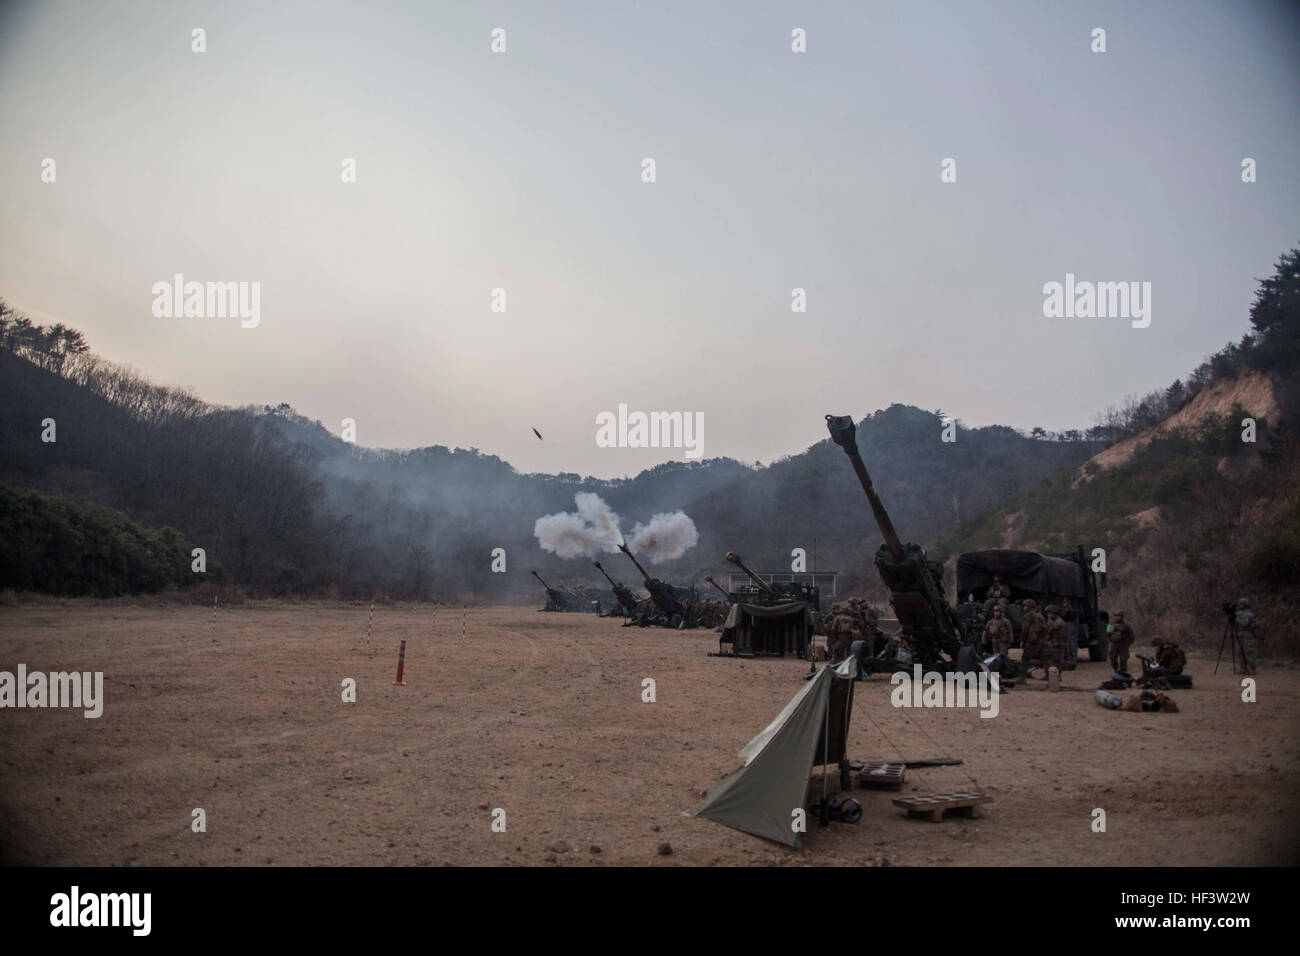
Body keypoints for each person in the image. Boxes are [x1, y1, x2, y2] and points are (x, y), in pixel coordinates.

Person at [1020, 598, 1047, 676]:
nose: (1024, 608)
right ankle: (1049, 676)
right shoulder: (1040, 615)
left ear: (1029, 607)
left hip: (1032, 640)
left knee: (1025, 659)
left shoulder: (1028, 615)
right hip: (1041, 640)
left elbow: (1025, 630)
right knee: (1045, 659)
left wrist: (1022, 640)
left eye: (1025, 606)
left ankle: (1022, 677)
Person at [1043, 605, 1069, 676]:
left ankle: (1056, 678)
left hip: (1058, 645)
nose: (1048, 615)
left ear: (1054, 613)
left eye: (1049, 613)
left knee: (1056, 662)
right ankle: (1050, 677)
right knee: (1049, 661)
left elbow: (1050, 629)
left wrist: (1048, 621)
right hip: (1053, 644)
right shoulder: (1053, 621)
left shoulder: (1059, 622)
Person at [1108, 611, 1136, 675]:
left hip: (1123, 645)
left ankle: (1123, 672)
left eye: (1119, 616)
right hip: (1114, 645)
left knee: (1123, 660)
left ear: (1122, 617)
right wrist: (1112, 639)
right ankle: (1115, 670)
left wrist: (1127, 644)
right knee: (1112, 658)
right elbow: (1107, 634)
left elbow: (1132, 636)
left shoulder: (1127, 626)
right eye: (1116, 616)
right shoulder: (1111, 625)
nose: (1117, 617)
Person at [1235, 598, 1258, 675]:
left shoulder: (1248, 614)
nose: (1240, 605)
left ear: (1246, 605)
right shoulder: (1240, 613)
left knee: (1248, 651)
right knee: (1239, 652)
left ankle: (1251, 668)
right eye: (1240, 604)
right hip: (1240, 634)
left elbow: (1244, 623)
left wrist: (1236, 617)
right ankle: (1243, 668)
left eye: (1242, 604)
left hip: (1247, 635)